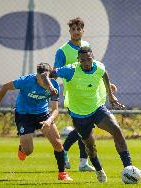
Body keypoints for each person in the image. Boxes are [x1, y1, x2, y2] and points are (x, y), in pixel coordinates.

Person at [43, 46, 141, 183]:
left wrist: (111, 96)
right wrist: (50, 86)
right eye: (83, 60)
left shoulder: (99, 67)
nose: (86, 62)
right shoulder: (71, 70)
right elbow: (47, 74)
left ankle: (129, 167)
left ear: (93, 58)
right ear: (78, 60)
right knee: (90, 147)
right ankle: (99, 169)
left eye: (89, 59)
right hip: (79, 114)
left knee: (116, 129)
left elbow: (104, 75)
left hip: (97, 108)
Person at [0, 63, 73, 181]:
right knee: (28, 151)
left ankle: (62, 174)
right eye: (40, 78)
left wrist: (49, 121)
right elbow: (5, 87)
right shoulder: (26, 80)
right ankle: (22, 147)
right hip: (24, 114)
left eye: (46, 79)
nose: (43, 82)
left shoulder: (54, 85)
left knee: (58, 144)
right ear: (36, 75)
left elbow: (55, 110)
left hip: (43, 114)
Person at [54, 17, 116, 172]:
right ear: (70, 32)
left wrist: (106, 85)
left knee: (87, 128)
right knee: (84, 128)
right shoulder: (62, 51)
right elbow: (56, 72)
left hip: (90, 94)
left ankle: (83, 162)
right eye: (73, 29)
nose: (76, 32)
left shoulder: (87, 46)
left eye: (78, 29)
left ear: (83, 30)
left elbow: (95, 70)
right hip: (73, 95)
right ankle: (66, 150)